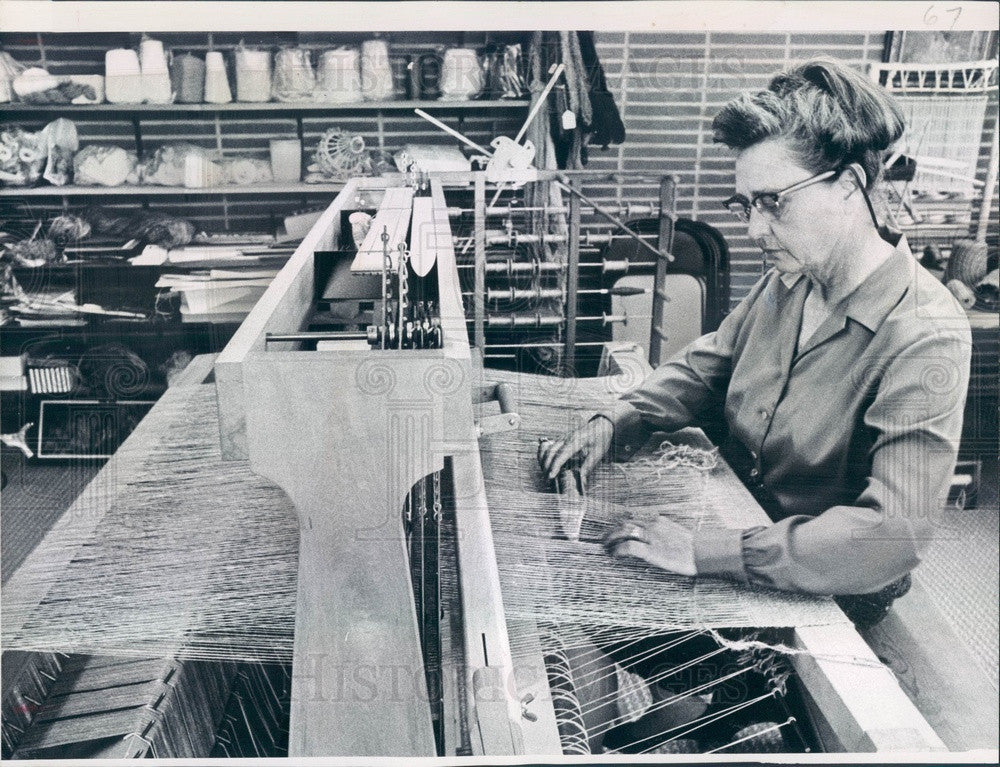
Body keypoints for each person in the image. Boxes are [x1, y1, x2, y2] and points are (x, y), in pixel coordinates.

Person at [539, 57, 973, 627]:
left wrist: (704, 550)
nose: (753, 230)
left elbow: (890, 535)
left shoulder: (925, 335)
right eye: (746, 205)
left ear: (850, 185)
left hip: (832, 598)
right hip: (740, 528)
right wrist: (620, 418)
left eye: (775, 201)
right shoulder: (787, 282)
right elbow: (708, 364)